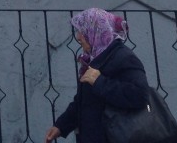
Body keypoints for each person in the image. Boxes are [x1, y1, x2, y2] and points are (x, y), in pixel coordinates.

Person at [44, 8, 149, 143]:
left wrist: (99, 82)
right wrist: (60, 126)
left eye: (82, 30)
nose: (78, 37)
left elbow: (140, 95)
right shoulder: (94, 60)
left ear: (96, 30)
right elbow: (83, 103)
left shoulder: (123, 57)